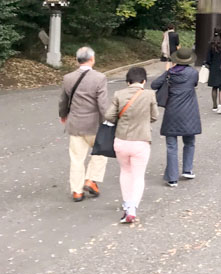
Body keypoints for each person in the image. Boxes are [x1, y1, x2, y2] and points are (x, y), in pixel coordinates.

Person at [104, 66, 158, 224]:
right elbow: (155, 116)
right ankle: (132, 207)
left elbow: (109, 116)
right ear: (144, 81)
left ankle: (126, 203)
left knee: (125, 172)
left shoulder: (118, 94)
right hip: (141, 141)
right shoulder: (149, 95)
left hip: (121, 140)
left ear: (128, 82)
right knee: (138, 175)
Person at [58, 46, 109, 202]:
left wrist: (63, 115)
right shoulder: (99, 78)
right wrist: (109, 119)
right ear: (92, 59)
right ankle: (91, 179)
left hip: (75, 124)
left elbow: (63, 101)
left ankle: (77, 191)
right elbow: (102, 103)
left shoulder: (68, 78)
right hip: (94, 124)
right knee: (101, 153)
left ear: (77, 60)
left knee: (76, 159)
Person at [151, 45, 201, 187]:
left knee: (171, 146)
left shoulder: (169, 73)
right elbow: (195, 84)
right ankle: (187, 169)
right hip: (189, 112)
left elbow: (154, 85)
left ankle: (172, 178)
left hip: (172, 112)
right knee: (189, 142)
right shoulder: (193, 73)